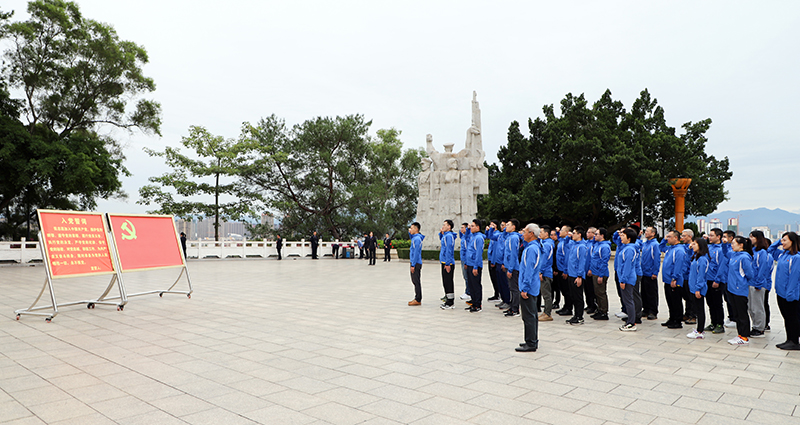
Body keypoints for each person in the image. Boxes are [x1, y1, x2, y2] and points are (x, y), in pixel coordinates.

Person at [768, 233, 800, 350]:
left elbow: (795, 278)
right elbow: (770, 250)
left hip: (790, 294)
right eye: (782, 240)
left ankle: (794, 341)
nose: (782, 242)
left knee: (792, 318)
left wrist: (790, 293)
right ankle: (789, 339)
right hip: (781, 293)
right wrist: (778, 242)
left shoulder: (796, 257)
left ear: (793, 241)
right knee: (787, 317)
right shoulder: (782, 254)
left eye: (785, 240)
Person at [516, 223, 542, 352]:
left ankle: (531, 343)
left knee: (529, 316)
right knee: (531, 315)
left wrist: (525, 288)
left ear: (531, 234)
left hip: (529, 287)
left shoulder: (532, 249)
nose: (523, 234)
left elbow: (529, 270)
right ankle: (531, 340)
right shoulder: (532, 247)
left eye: (525, 232)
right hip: (531, 285)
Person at [726, 236, 755, 345]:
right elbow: (726, 252)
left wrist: (740, 282)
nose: (732, 245)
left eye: (733, 243)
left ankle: (744, 337)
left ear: (741, 245)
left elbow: (750, 274)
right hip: (731, 289)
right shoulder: (734, 255)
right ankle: (740, 335)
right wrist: (725, 243)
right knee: (737, 314)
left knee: (742, 314)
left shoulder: (744, 257)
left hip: (740, 289)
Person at [660, 230, 686, 329]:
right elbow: (660, 247)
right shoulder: (670, 248)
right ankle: (672, 318)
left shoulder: (679, 250)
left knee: (676, 301)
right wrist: (664, 238)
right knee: (670, 300)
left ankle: (677, 320)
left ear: (676, 238)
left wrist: (674, 278)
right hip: (667, 280)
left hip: (674, 280)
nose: (667, 238)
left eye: (670, 237)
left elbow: (678, 265)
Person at [748, 230, 772, 337]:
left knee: (758, 307)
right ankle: (755, 326)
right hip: (751, 283)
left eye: (752, 237)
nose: (751, 239)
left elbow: (763, 269)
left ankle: (760, 328)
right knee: (751, 307)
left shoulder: (762, 253)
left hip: (758, 284)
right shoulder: (753, 251)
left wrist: (759, 283)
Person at [687, 237, 710, 339]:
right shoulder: (696, 257)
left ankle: (700, 331)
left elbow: (701, 276)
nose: (692, 245)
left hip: (698, 288)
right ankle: (699, 329)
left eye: (695, 244)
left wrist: (698, 289)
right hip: (693, 287)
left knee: (700, 310)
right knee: (696, 309)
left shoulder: (702, 259)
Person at [566, 226, 589, 325]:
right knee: (573, 296)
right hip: (571, 274)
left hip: (576, 275)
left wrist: (580, 276)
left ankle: (579, 317)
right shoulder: (573, 244)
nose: (572, 234)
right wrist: (568, 236)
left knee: (578, 296)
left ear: (579, 234)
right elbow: (567, 243)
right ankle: (575, 315)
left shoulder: (582, 247)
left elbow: (582, 262)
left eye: (574, 233)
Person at [618, 228, 639, 331]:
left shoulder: (629, 249)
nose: (621, 237)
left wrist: (623, 280)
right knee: (627, 300)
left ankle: (631, 323)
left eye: (623, 235)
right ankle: (630, 321)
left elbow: (627, 266)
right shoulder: (626, 248)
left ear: (629, 238)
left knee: (628, 300)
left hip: (627, 278)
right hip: (625, 277)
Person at [705, 228, 726, 334]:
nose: (709, 237)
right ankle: (713, 322)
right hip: (707, 279)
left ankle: (719, 324)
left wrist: (717, 280)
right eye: (709, 235)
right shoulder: (708, 247)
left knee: (717, 303)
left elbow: (722, 266)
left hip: (716, 280)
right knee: (710, 303)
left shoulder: (721, 249)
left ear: (718, 237)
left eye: (712, 235)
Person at [589, 228, 611, 321]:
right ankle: (599, 309)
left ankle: (604, 312)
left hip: (600, 273)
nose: (595, 236)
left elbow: (604, 262)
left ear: (602, 236)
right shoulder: (597, 244)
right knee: (597, 293)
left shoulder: (604, 247)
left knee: (601, 293)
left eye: (597, 234)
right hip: (594, 272)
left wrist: (601, 275)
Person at [640, 227, 661, 320]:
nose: (645, 233)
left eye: (647, 231)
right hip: (643, 272)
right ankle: (645, 309)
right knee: (644, 292)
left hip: (650, 273)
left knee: (651, 293)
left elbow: (656, 259)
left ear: (653, 233)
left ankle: (653, 311)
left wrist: (655, 272)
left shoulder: (655, 245)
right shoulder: (645, 243)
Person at [465, 219, 485, 312]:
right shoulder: (472, 236)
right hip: (469, 264)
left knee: (476, 285)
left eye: (472, 226)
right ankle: (473, 302)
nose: (470, 227)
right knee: (471, 285)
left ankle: (478, 304)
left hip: (474, 265)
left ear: (478, 227)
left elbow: (478, 253)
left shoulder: (479, 238)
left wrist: (475, 266)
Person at [503, 219, 522, 317]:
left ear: (514, 227)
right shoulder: (509, 237)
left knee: (514, 288)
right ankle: (512, 306)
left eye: (508, 225)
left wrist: (510, 269)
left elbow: (514, 254)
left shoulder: (514, 238)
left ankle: (515, 309)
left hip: (513, 267)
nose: (506, 226)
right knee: (511, 287)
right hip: (509, 265)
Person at [554, 225, 573, 317]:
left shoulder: (566, 243)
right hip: (560, 269)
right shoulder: (561, 241)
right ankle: (565, 306)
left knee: (567, 290)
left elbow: (566, 257)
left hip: (564, 270)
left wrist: (565, 271)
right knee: (563, 290)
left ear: (567, 232)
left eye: (561, 230)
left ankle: (569, 308)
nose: (559, 231)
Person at [439, 220, 458, 309]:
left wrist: (447, 263)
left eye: (444, 225)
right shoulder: (446, 236)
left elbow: (449, 250)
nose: (443, 226)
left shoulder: (449, 236)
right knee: (445, 282)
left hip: (447, 263)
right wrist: (441, 234)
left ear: (449, 227)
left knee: (448, 282)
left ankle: (450, 302)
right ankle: (448, 300)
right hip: (444, 262)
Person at [537, 226, 555, 321]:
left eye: (541, 232)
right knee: (545, 293)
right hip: (544, 271)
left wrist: (541, 271)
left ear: (546, 234)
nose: (539, 233)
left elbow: (545, 259)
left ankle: (547, 313)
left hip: (545, 272)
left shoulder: (547, 245)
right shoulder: (544, 243)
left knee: (546, 293)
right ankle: (545, 312)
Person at [680, 229, 696, 324]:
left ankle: (693, 315)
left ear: (690, 236)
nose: (682, 238)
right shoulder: (683, 247)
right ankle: (687, 313)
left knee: (691, 297)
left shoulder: (694, 247)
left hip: (690, 275)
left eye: (684, 236)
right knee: (686, 296)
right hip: (684, 275)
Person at [408, 222, 425, 306]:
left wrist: (413, 265)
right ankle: (417, 297)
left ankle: (418, 299)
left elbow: (416, 253)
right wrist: (409, 232)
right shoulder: (415, 238)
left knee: (416, 281)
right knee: (414, 281)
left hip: (416, 263)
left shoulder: (417, 239)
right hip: (415, 262)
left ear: (416, 229)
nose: (410, 229)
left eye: (411, 228)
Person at [459, 223, 472, 301]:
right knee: (465, 276)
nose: (461, 229)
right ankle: (467, 291)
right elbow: (460, 233)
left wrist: (466, 261)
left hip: (466, 259)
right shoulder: (463, 236)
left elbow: (467, 250)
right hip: (463, 258)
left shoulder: (468, 237)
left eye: (463, 227)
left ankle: (468, 292)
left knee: (467, 276)